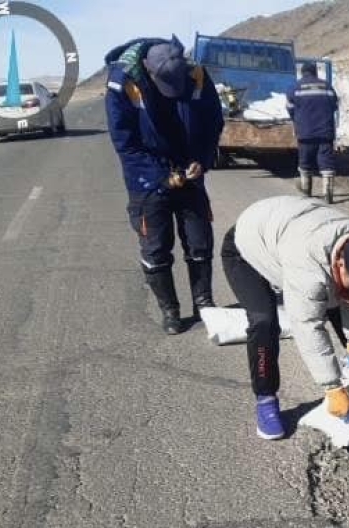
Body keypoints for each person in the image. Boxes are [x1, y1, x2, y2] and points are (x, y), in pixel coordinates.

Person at [221, 196, 349, 440]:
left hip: (286, 229)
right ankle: (265, 401)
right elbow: (308, 325)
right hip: (245, 248)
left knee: (343, 295)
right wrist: (332, 387)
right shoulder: (307, 267)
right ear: (340, 263)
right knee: (264, 322)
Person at [105, 36, 224, 334]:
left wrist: (202, 159)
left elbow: (213, 122)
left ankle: (204, 303)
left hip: (189, 170)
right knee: (156, 248)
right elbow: (125, 143)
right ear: (148, 69)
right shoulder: (122, 83)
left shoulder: (196, 75)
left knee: (199, 242)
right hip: (147, 180)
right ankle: (170, 310)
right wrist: (161, 177)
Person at [286, 62, 339, 202]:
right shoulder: (327, 86)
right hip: (325, 131)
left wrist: (297, 119)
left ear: (303, 72)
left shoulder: (295, 87)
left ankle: (306, 190)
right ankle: (328, 194)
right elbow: (334, 106)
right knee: (326, 160)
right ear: (315, 72)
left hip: (305, 132)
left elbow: (290, 108)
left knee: (305, 160)